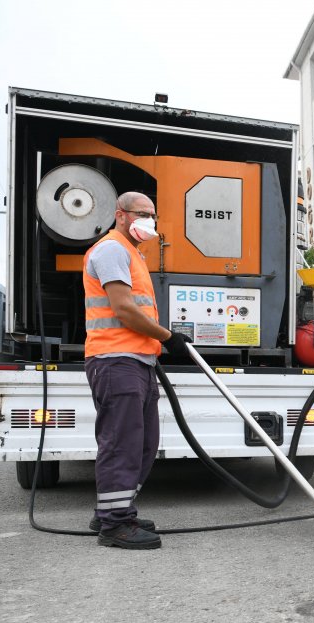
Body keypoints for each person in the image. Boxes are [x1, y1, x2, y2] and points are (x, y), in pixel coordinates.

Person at [82, 191, 194, 550]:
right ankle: (115, 526)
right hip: (116, 360)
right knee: (122, 444)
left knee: (144, 444)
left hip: (138, 361)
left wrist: (157, 346)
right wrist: (168, 338)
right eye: (141, 213)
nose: (149, 219)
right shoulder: (112, 249)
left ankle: (114, 510)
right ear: (121, 214)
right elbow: (124, 310)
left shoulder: (132, 253)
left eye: (152, 214)